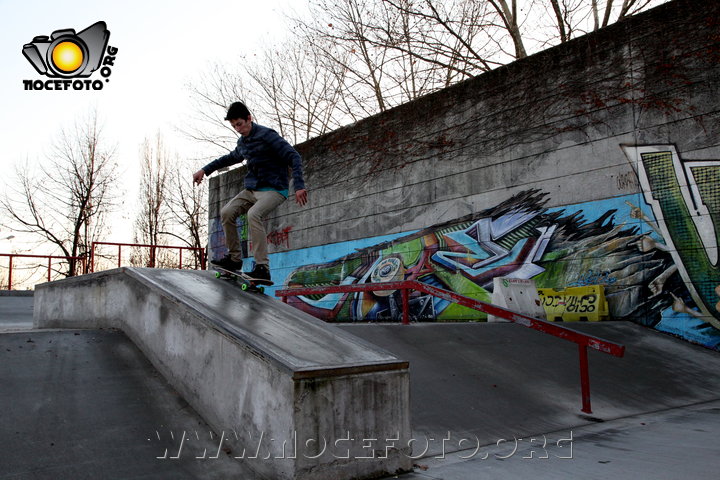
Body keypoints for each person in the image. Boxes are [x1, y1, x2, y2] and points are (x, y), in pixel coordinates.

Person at [193, 101, 307, 282]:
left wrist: (299, 185)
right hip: (253, 189)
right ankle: (234, 259)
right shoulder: (243, 143)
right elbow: (229, 158)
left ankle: (262, 267)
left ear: (249, 118)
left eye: (239, 124)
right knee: (227, 212)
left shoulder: (267, 135)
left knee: (253, 215)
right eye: (234, 126)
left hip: (275, 189)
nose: (238, 129)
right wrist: (205, 170)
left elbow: (294, 156)